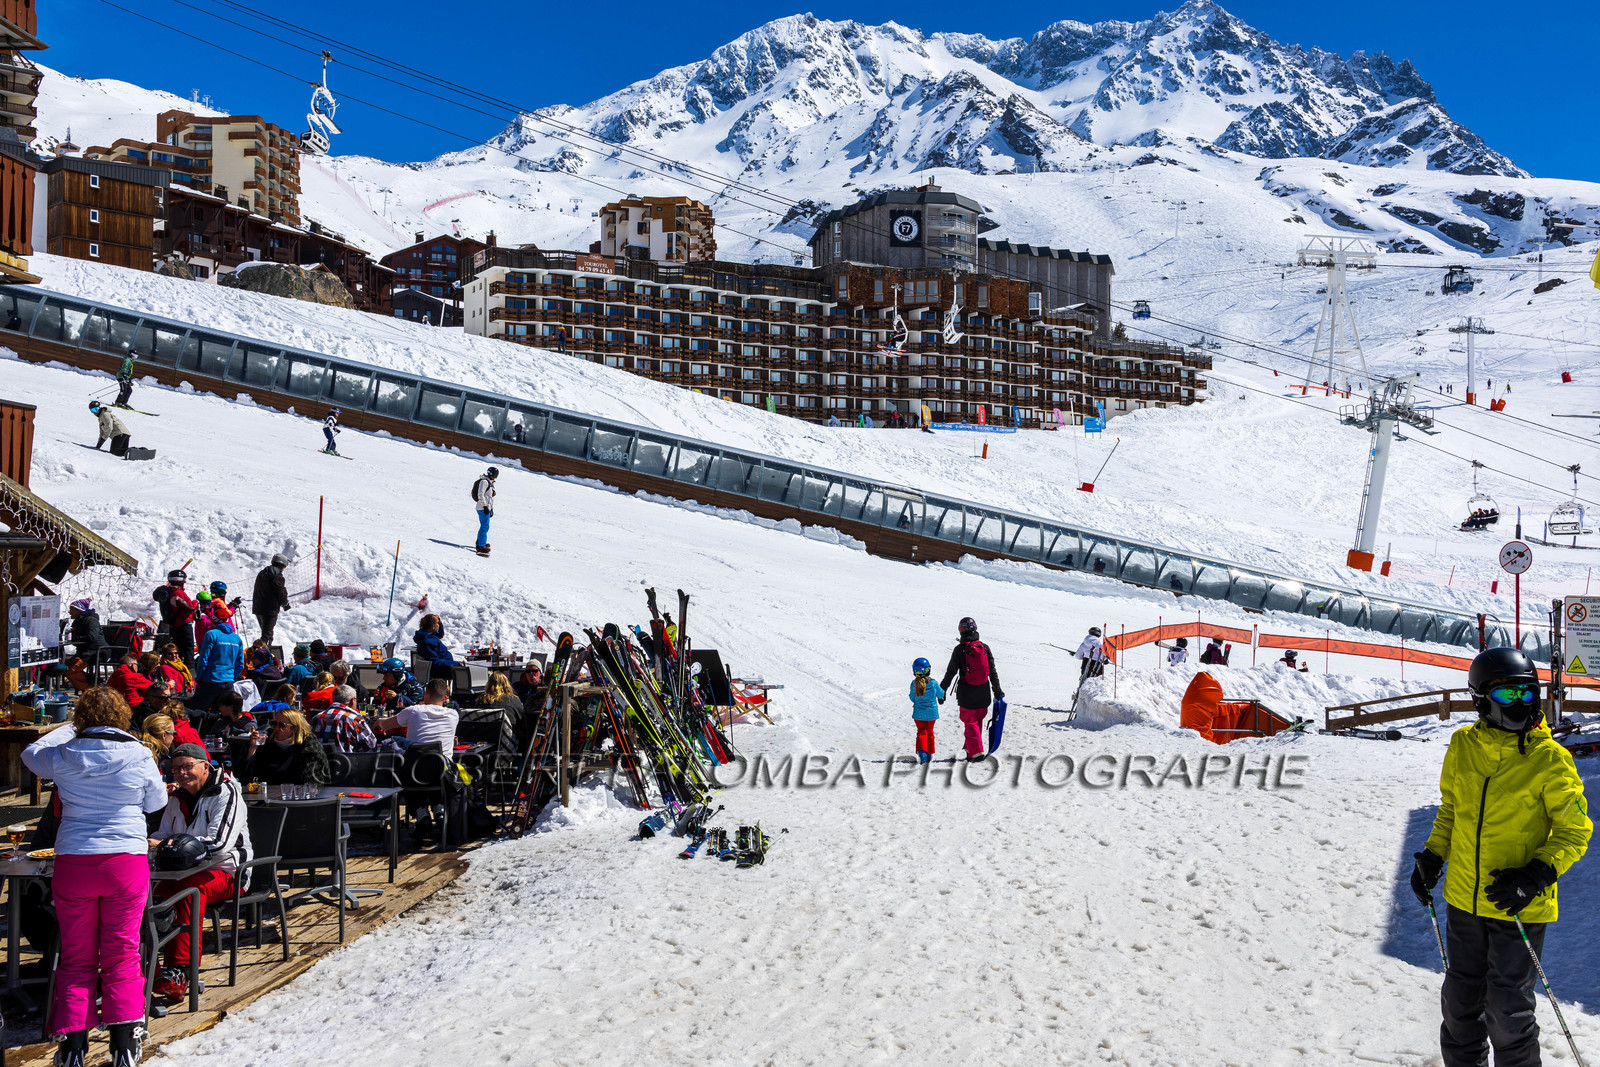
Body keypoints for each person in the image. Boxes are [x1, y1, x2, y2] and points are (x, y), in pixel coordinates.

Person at [1410, 648, 1591, 1067]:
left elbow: (1575, 830)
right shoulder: (1463, 745)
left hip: (1519, 903)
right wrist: (1434, 857)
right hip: (1464, 901)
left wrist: (1536, 875)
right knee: (1459, 1006)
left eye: (1527, 693)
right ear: (1479, 698)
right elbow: (1452, 809)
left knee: (1508, 1013)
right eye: (1507, 694)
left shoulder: (1550, 759)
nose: (1520, 703)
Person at [22, 688, 166, 1067]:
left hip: (75, 859)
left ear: (81, 717)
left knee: (75, 957)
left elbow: (29, 753)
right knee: (122, 952)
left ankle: (72, 1046)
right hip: (124, 860)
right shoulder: (140, 753)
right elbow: (156, 802)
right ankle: (124, 1041)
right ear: (122, 716)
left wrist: (70, 728)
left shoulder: (63, 754)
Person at [149, 743, 252, 1002]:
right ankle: (149, 969)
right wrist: (156, 843)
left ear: (205, 766)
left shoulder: (226, 792)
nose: (181, 773)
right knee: (148, 895)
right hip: (180, 871)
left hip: (228, 871)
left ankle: (181, 970)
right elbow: (161, 835)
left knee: (188, 892)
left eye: (187, 766)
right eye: (176, 769)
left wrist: (168, 845)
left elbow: (219, 843)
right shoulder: (177, 799)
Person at [938, 617, 1003, 763]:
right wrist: (997, 690)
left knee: (970, 722)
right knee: (977, 722)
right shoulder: (984, 648)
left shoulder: (959, 650)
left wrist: (942, 690)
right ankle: (970, 750)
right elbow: (992, 672)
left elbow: (950, 672)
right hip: (984, 693)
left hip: (967, 694)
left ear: (961, 631)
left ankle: (976, 753)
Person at [238, 705, 330, 786]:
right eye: (274, 724)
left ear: (294, 728)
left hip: (295, 796)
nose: (276, 728)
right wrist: (252, 748)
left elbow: (314, 781)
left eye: (282, 725)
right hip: (266, 795)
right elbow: (244, 776)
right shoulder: (266, 741)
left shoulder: (307, 744)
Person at [377, 677, 460, 751]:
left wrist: (377, 723)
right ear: (445, 698)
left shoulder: (414, 710)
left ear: (426, 695)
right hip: (443, 762)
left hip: (415, 762)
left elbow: (384, 725)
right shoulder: (453, 715)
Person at [189, 610, 243, 713]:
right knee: (220, 714)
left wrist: (199, 678)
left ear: (213, 621)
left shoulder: (211, 634)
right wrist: (231, 677)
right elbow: (240, 665)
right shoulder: (237, 638)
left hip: (209, 681)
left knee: (196, 712)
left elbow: (203, 660)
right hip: (227, 683)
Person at [460, 671, 522, 758]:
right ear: (507, 684)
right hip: (506, 744)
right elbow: (522, 720)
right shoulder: (512, 700)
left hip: (482, 745)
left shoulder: (480, 700)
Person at [309, 686, 379, 753]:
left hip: (322, 760)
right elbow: (371, 747)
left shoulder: (316, 718)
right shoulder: (354, 719)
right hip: (348, 760)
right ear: (352, 700)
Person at [151, 569, 199, 667]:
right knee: (188, 650)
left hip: (173, 625)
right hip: (184, 625)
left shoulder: (167, 592)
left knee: (178, 650)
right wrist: (196, 602)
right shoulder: (178, 593)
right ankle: (189, 671)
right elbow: (190, 607)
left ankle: (177, 669)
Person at [908, 657, 944, 764]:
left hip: (918, 714)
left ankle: (922, 753)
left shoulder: (914, 684)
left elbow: (912, 698)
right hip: (932, 714)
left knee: (921, 732)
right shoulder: (933, 683)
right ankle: (929, 754)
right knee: (930, 732)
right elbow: (941, 694)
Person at [251, 554, 291, 645]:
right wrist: (285, 604)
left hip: (258, 608)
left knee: (267, 634)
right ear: (281, 565)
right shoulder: (276, 576)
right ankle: (261, 652)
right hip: (270, 610)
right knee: (267, 636)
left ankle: (264, 650)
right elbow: (280, 592)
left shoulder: (262, 573)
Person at [67, 598, 110, 673]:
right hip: (85, 652)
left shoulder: (91, 620)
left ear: (79, 610)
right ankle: (90, 679)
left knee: (72, 671)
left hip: (96, 652)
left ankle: (89, 681)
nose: (69, 612)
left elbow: (92, 637)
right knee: (66, 667)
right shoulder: (78, 621)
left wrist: (76, 638)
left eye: (71, 610)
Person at [414, 614, 457, 678]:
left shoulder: (426, 635)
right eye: (437, 623)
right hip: (441, 670)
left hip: (446, 665)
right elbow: (435, 662)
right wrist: (454, 664)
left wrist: (440, 623)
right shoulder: (428, 642)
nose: (438, 625)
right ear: (433, 627)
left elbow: (440, 635)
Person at [473, 466, 498, 558]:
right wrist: (485, 506)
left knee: (484, 526)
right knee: (485, 526)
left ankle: (480, 542)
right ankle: (481, 546)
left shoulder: (489, 483)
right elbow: (480, 494)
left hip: (485, 507)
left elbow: (489, 498)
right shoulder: (484, 482)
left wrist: (491, 509)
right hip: (482, 507)